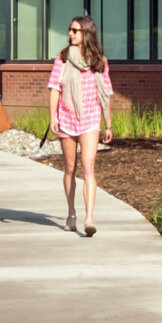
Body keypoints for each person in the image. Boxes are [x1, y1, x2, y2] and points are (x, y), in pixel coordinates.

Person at [48, 12, 115, 236]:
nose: (70, 33)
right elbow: (54, 88)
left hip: (90, 119)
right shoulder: (63, 58)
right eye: (70, 29)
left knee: (88, 167)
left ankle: (89, 218)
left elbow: (105, 94)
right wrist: (53, 117)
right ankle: (71, 213)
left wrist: (109, 125)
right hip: (67, 118)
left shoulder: (99, 62)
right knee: (70, 168)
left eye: (75, 30)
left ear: (86, 33)